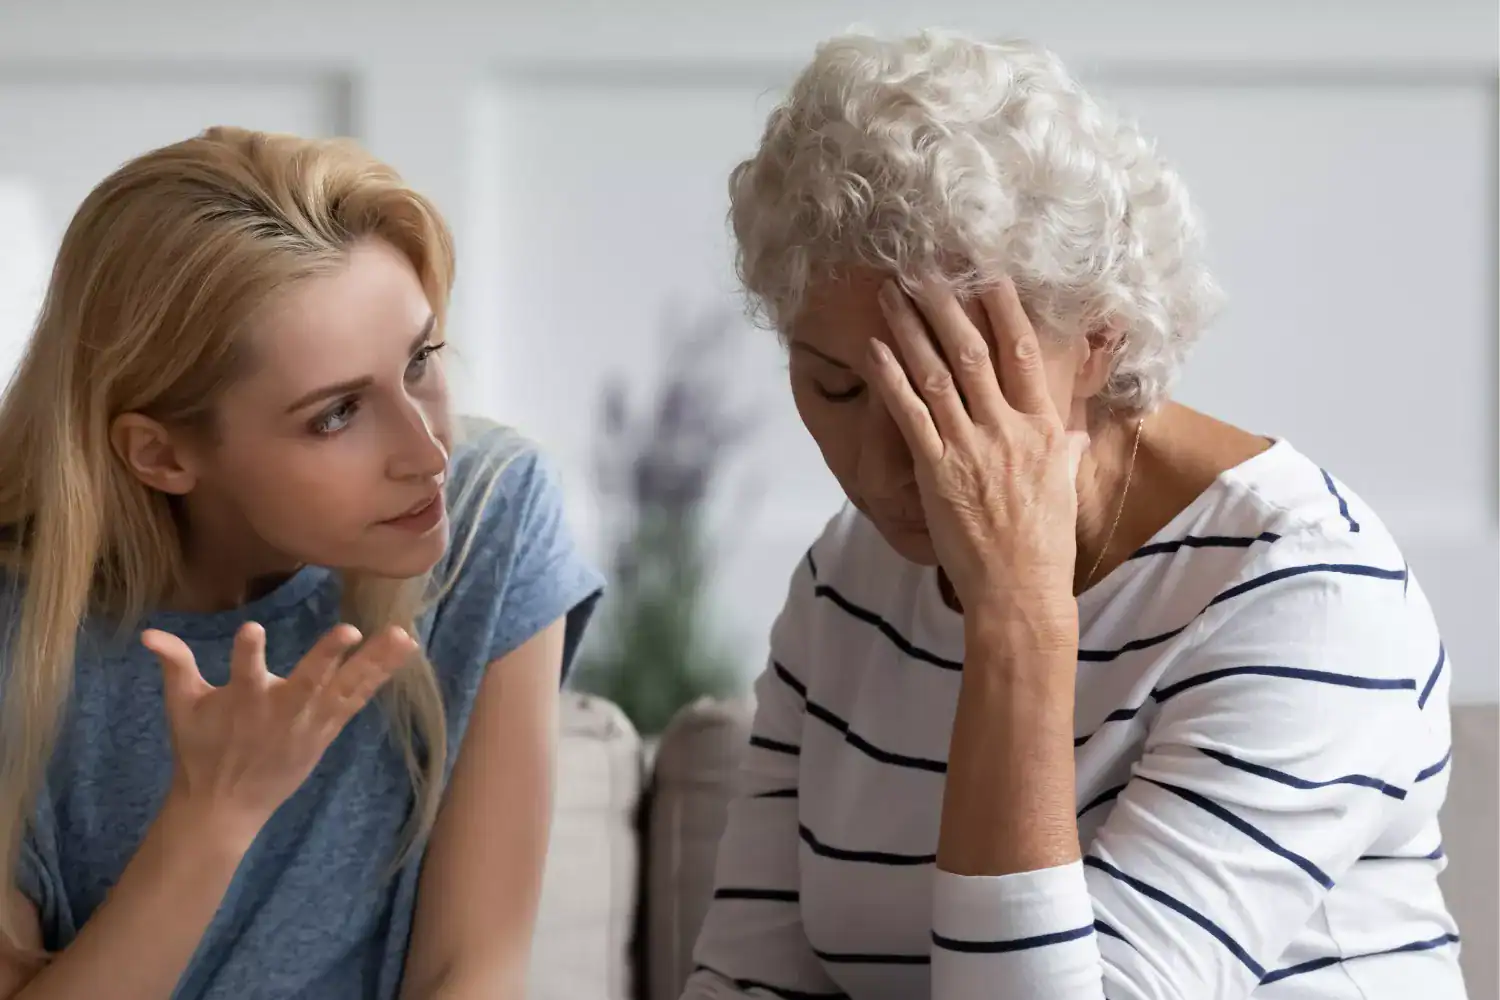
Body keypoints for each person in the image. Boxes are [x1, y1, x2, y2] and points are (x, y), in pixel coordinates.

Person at [684, 31, 1466, 1000]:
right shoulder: (851, 576)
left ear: (1099, 338)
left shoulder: (1309, 593)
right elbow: (745, 981)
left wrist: (1017, 615)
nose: (894, 467)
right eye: (836, 387)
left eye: (949, 397)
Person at [0, 126, 603, 999]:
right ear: (161, 455)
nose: (428, 452)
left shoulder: (487, 517)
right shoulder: (23, 636)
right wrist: (214, 815)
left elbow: (471, 973)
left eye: (421, 362)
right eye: (336, 415)